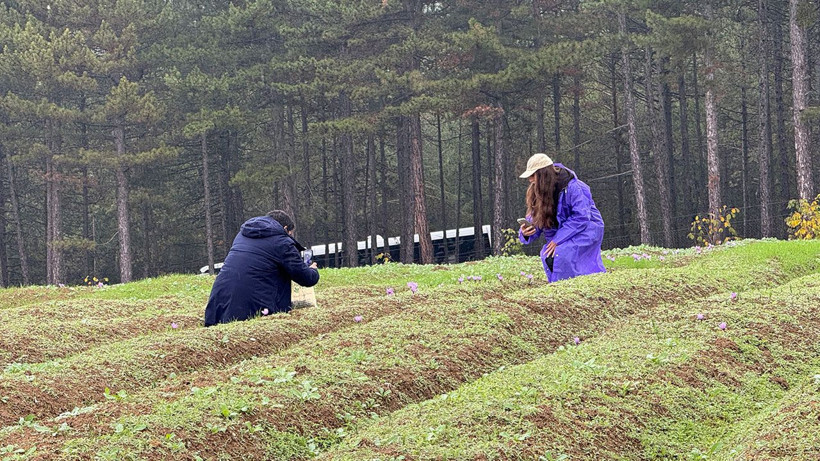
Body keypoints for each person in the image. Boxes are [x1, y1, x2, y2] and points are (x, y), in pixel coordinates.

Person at [204, 210, 319, 326]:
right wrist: (313, 270)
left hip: (219, 302)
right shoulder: (282, 242)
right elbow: (306, 278)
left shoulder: (243, 234)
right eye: (290, 233)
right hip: (250, 307)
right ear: (285, 228)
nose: (290, 237)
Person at [518, 153, 605, 282]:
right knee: (548, 255)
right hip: (564, 232)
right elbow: (537, 218)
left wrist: (557, 240)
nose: (530, 180)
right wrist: (526, 232)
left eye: (532, 175)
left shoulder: (575, 187)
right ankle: (560, 286)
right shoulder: (539, 190)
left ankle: (576, 285)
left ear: (543, 174)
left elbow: (581, 217)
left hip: (587, 229)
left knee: (562, 254)